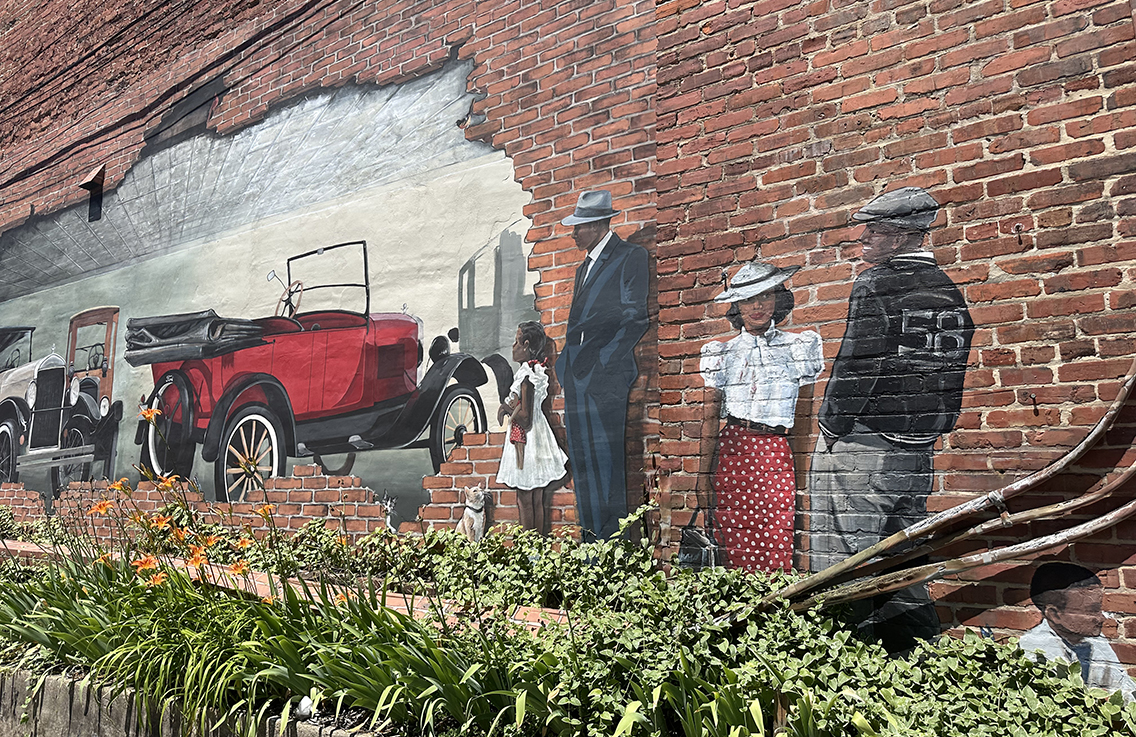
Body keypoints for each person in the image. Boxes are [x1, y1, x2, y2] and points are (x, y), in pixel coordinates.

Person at [808, 186, 974, 652]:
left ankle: (841, 668)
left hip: (863, 446)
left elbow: (857, 366)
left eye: (875, 231)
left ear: (901, 237)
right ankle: (916, 663)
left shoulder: (876, 284)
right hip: (917, 451)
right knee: (904, 566)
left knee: (841, 565)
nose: (864, 239)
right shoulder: (949, 292)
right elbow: (951, 375)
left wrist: (832, 427)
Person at [697, 262, 823, 572]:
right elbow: (711, 418)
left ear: (778, 300)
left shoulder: (798, 346)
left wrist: (803, 477)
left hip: (776, 454)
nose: (757, 306)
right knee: (733, 542)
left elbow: (804, 419)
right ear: (737, 306)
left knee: (775, 536)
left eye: (765, 296)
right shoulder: (722, 353)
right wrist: (702, 477)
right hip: (733, 454)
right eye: (748, 299)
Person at [555, 190, 650, 540]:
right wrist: (566, 365)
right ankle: (591, 542)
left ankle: (616, 546)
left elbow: (634, 318)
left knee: (607, 465)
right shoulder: (585, 267)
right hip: (578, 377)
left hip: (604, 379)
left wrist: (602, 364)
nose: (574, 233)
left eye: (579, 227)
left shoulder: (629, 257)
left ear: (596, 225)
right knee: (583, 463)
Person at [1019, 562, 1136, 701]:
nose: (1101, 617)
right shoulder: (1033, 648)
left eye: (1099, 608)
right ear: (1054, 614)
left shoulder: (1093, 640)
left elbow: (1124, 687)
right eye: (1091, 611)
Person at [496, 321, 568, 534]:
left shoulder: (527, 377)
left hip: (527, 441)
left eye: (516, 342)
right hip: (537, 437)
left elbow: (525, 417)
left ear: (526, 345)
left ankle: (530, 549)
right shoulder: (532, 372)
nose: (513, 347)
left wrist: (507, 410)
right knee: (536, 497)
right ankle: (537, 546)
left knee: (525, 499)